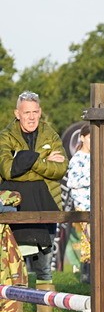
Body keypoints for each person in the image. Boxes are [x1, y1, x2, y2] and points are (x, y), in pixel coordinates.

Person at [0, 91, 67, 287]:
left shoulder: (51, 134)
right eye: (27, 112)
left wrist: (25, 158)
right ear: (17, 113)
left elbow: (60, 169)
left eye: (35, 112)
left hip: (47, 202)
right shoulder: (5, 136)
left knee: (45, 268)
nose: (31, 117)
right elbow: (8, 169)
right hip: (15, 207)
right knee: (15, 266)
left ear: (40, 112)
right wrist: (43, 159)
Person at [64, 125, 92, 280]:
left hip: (98, 204)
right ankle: (86, 273)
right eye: (89, 138)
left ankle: (93, 272)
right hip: (83, 203)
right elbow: (72, 182)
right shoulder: (77, 159)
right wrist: (95, 178)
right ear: (82, 138)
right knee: (87, 238)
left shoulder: (97, 157)